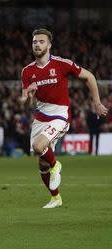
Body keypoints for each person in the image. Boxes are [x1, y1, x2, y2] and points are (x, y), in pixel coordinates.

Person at [21, 28, 108, 208]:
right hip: (40, 114)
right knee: (41, 164)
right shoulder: (27, 72)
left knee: (39, 147)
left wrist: (97, 103)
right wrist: (28, 98)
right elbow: (26, 104)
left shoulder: (62, 64)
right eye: (34, 42)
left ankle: (56, 166)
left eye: (41, 41)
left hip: (60, 114)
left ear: (49, 45)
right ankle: (55, 198)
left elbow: (89, 77)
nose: (37, 44)